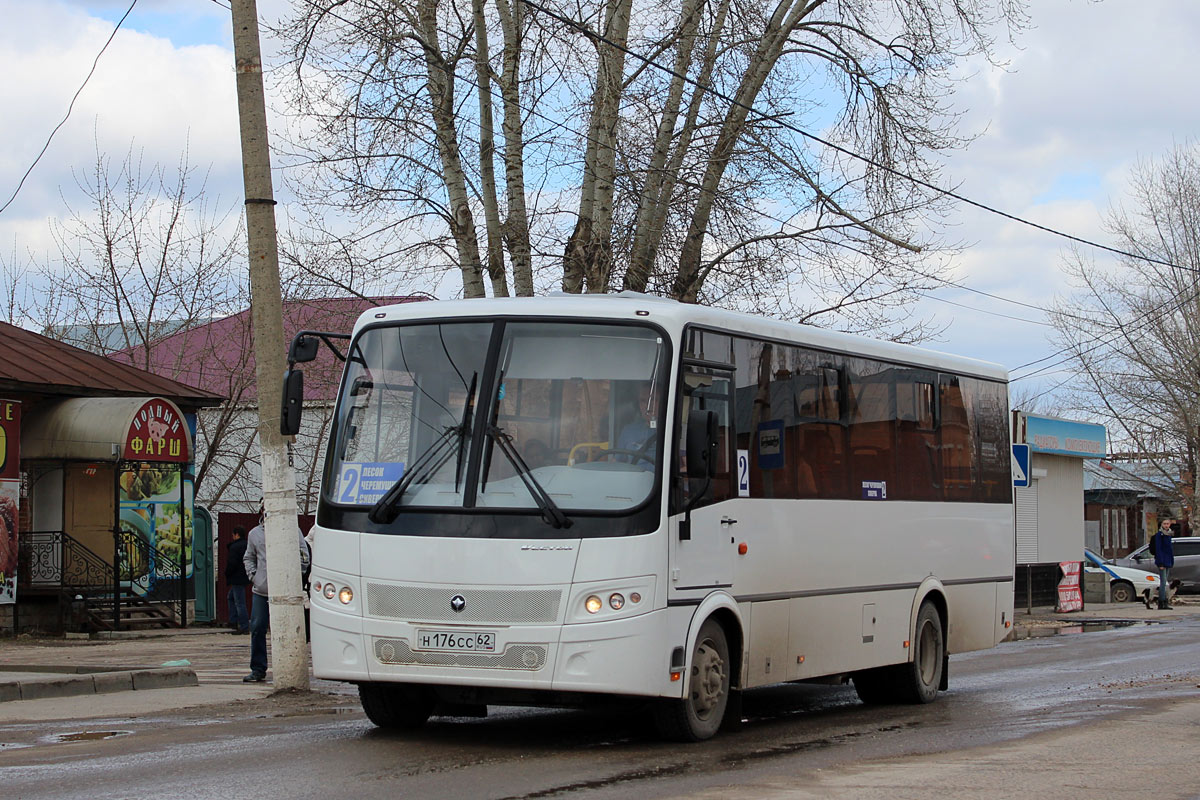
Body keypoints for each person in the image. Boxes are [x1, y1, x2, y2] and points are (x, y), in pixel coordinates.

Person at [242, 506, 312, 682]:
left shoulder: (292, 530)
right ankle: (258, 669)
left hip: (287, 590)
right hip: (262, 590)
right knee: (257, 627)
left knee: (290, 629)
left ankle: (291, 667)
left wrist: (297, 575)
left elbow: (304, 555)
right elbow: (249, 557)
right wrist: (254, 577)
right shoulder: (254, 534)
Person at [615, 383, 657, 469]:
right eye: (643, 401)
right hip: (634, 479)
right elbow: (617, 462)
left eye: (652, 400)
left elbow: (685, 468)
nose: (647, 406)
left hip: (661, 480)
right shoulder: (629, 431)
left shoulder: (674, 429)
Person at [224, 526, 250, 635]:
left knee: (240, 602)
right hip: (244, 575)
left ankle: (244, 626)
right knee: (231, 597)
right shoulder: (247, 545)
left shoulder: (235, 547)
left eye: (233, 535)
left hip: (236, 577)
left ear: (236, 534)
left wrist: (227, 573)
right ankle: (233, 621)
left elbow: (232, 563)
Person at [1150, 517, 1175, 610]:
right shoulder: (1159, 535)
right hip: (1162, 562)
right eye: (1164, 524)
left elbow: (1169, 550)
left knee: (1165, 582)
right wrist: (1160, 563)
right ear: (1161, 525)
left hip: (1168, 561)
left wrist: (1171, 561)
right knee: (1163, 582)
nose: (1166, 525)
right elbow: (1159, 550)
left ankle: (1164, 602)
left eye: (1167, 524)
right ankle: (1161, 602)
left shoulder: (1169, 534)